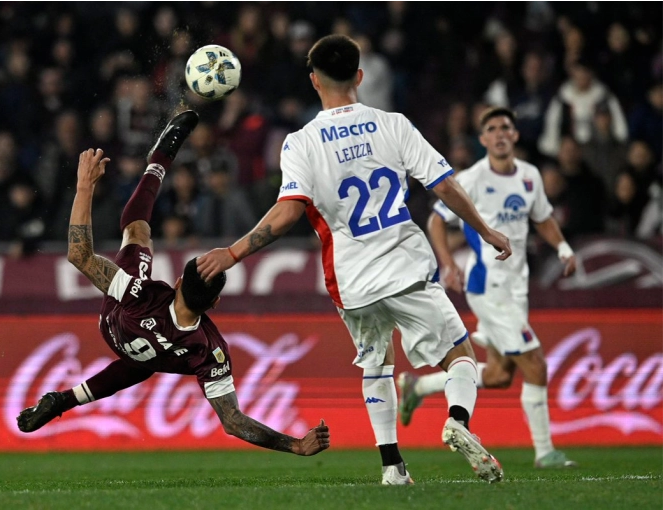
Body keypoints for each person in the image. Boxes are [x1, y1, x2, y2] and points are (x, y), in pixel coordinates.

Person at [197, 35, 511, 485]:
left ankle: (392, 468)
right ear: (359, 77)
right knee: (459, 356)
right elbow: (443, 185)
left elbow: (287, 212)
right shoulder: (393, 124)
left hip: (352, 281)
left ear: (313, 81)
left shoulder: (301, 142)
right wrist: (484, 229)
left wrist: (232, 253)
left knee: (376, 363)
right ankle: (458, 421)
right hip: (405, 268)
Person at [17, 111, 330, 458]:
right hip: (149, 350)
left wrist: (84, 186)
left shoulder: (141, 291)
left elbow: (79, 255)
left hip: (116, 321)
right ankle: (65, 399)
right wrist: (296, 444)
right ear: (215, 305)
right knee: (146, 360)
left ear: (178, 281)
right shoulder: (209, 349)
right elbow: (233, 421)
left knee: (137, 230)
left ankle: (159, 161)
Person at [398, 107, 578, 469]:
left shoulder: (529, 176)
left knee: (498, 375)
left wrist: (562, 247)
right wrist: (448, 263)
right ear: (483, 140)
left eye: (505, 128)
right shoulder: (474, 178)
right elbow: (436, 218)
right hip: (488, 286)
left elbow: (542, 218)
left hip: (517, 286)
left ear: (514, 135)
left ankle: (418, 387)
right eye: (491, 129)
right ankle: (545, 452)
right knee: (536, 364)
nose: (499, 133)